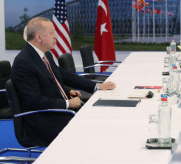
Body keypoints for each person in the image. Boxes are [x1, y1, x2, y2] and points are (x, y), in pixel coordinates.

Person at [11, 17, 116, 146]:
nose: (56, 37)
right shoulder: (24, 62)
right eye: (52, 33)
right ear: (39, 38)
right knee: (92, 129)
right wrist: (67, 103)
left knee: (100, 116)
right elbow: (34, 101)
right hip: (43, 122)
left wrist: (95, 86)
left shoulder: (45, 55)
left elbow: (61, 76)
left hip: (55, 111)